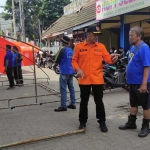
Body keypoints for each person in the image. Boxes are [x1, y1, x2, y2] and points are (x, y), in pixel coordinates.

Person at [72, 26, 119, 132]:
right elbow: (74, 61)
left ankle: (102, 122)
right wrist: (78, 69)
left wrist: (113, 59)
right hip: (84, 79)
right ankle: (82, 122)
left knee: (99, 101)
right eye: (95, 34)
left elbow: (108, 59)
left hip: (97, 79)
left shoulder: (101, 46)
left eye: (97, 34)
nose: (96, 37)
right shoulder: (79, 47)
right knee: (84, 102)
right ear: (88, 34)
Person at [119, 27, 150, 138]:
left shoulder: (144, 48)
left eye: (132, 35)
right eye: (129, 35)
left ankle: (146, 127)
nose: (129, 37)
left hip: (141, 83)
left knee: (146, 105)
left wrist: (144, 84)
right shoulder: (132, 47)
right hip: (132, 82)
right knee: (133, 103)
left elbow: (147, 67)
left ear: (139, 36)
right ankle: (131, 123)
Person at [54, 36, 76, 112]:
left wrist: (51, 58)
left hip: (64, 71)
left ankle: (63, 105)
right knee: (71, 88)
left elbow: (56, 59)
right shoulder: (71, 50)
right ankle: (73, 103)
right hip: (71, 71)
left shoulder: (62, 49)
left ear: (63, 43)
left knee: (63, 89)